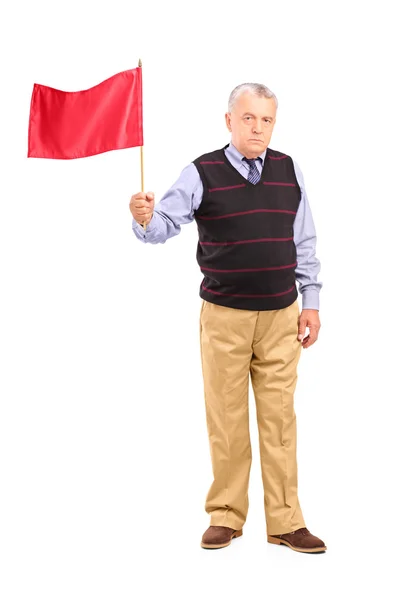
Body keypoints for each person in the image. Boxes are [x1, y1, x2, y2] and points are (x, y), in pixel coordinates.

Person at [129, 83, 326, 554]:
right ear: (229, 121)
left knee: (279, 420)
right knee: (227, 417)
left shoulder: (288, 168)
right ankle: (226, 515)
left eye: (267, 120)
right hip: (224, 318)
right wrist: (143, 218)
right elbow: (164, 226)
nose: (258, 128)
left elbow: (305, 241)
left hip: (282, 315)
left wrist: (312, 301)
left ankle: (286, 521)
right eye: (249, 118)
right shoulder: (202, 172)